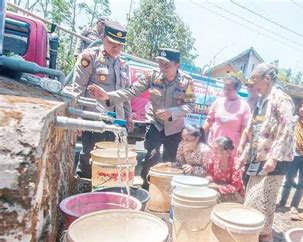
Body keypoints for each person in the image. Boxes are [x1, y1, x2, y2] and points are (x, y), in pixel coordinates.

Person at [88, 48, 196, 189]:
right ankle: (146, 186)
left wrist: (172, 112)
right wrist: (108, 96)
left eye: (167, 65)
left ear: (177, 66)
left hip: (174, 127)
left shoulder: (187, 82)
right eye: (160, 64)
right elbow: (132, 91)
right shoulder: (152, 76)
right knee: (152, 156)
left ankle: (165, 189)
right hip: (155, 123)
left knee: (170, 160)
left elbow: (191, 105)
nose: (162, 68)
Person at [237, 63, 294, 242]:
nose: (253, 84)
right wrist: (244, 154)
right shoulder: (262, 101)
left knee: (266, 196)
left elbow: (286, 130)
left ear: (267, 79)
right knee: (253, 195)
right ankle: (255, 231)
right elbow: (254, 129)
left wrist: (274, 158)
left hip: (273, 158)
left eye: (255, 80)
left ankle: (266, 236)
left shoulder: (282, 99)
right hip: (258, 155)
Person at [71, 20, 132, 179]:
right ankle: (83, 189)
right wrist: (77, 116)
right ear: (103, 37)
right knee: (89, 158)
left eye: (120, 45)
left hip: (116, 122)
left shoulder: (124, 65)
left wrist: (128, 117)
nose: (116, 47)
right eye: (112, 43)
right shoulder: (90, 57)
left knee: (111, 161)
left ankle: (103, 194)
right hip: (94, 119)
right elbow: (78, 87)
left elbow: (125, 95)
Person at [278, 98, 303, 213]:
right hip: (293, 154)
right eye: (301, 107)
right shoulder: (294, 120)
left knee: (302, 182)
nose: (302, 109)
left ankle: (294, 205)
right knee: (289, 179)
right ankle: (282, 202)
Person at [203, 75, 251, 148]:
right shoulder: (218, 102)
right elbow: (209, 121)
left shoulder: (244, 106)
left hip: (231, 147)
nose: (225, 91)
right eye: (224, 88)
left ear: (237, 90)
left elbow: (244, 129)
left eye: (229, 89)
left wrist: (241, 146)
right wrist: (199, 136)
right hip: (214, 144)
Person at [206, 136, 245, 203]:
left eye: (216, 151)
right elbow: (210, 173)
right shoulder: (213, 159)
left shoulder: (236, 164)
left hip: (232, 195)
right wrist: (209, 178)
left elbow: (235, 187)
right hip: (215, 189)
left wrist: (218, 187)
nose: (214, 153)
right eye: (213, 150)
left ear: (227, 152)